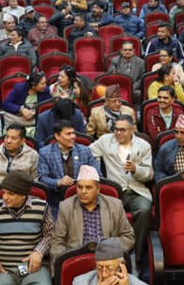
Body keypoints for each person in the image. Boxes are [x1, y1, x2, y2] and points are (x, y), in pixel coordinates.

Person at [89, 115, 154, 274]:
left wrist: (136, 169)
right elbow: (87, 152)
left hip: (136, 190)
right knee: (105, 211)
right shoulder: (105, 141)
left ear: (132, 130)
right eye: (116, 129)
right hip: (113, 193)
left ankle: (136, 255)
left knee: (145, 209)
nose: (118, 133)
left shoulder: (143, 146)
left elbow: (149, 174)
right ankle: (110, 256)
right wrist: (97, 172)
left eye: (122, 130)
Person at [51, 165, 136, 260]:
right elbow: (57, 242)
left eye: (88, 188)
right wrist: (65, 263)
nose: (83, 191)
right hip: (77, 259)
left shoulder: (115, 206)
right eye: (80, 187)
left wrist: (109, 247)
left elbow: (128, 237)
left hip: (108, 259)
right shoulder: (66, 207)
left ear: (98, 189)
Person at [38, 120, 98, 198]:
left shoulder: (85, 151)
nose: (73, 137)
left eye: (73, 133)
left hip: (82, 196)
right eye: (68, 134)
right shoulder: (45, 153)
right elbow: (42, 178)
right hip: (56, 200)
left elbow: (97, 174)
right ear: (57, 136)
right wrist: (58, 182)